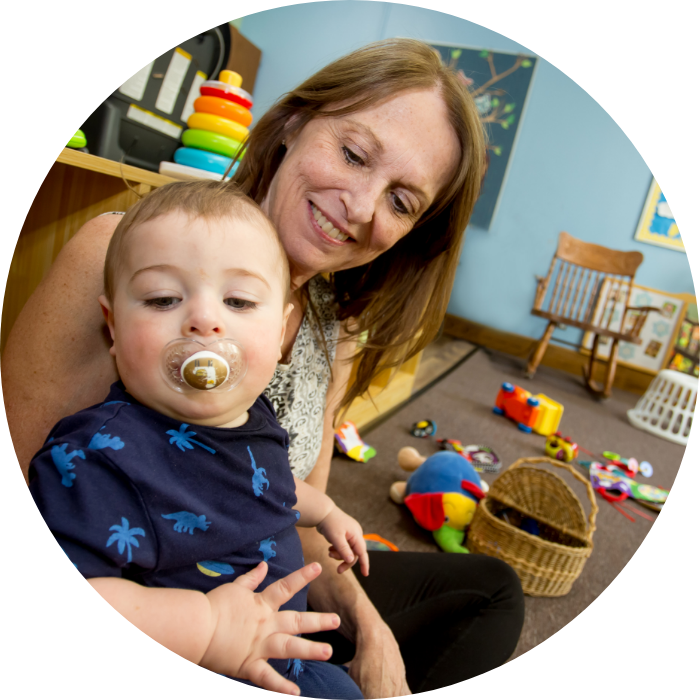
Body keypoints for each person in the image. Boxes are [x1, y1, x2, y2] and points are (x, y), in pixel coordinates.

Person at [4, 39, 525, 696]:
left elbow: (285, 503)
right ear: (294, 124)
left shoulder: (335, 323)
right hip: (158, 599)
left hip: (271, 577)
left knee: (494, 591)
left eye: (401, 201)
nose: (361, 207)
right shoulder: (126, 258)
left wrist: (371, 633)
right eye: (354, 154)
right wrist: (196, 625)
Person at [27, 180, 370, 698]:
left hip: (278, 649)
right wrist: (205, 626)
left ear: (279, 334)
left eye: (238, 300)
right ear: (113, 325)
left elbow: (265, 484)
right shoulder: (97, 457)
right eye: (163, 298)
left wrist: (324, 512)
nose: (205, 320)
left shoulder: (252, 415)